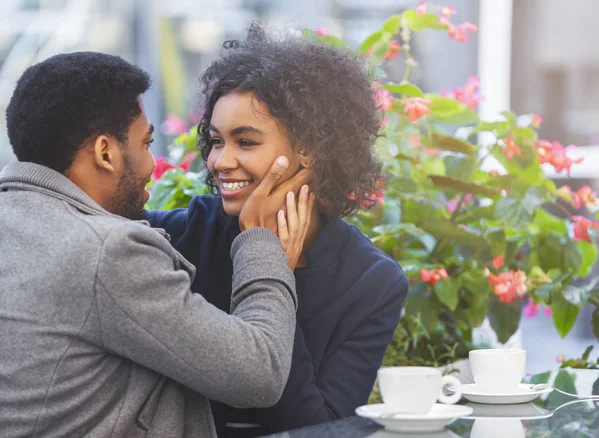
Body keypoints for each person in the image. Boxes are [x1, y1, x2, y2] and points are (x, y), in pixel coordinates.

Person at [0, 51, 314, 438]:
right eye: (146, 144)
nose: (152, 163)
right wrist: (262, 243)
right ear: (105, 152)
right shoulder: (107, 252)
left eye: (245, 141)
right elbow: (259, 373)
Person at [146, 24, 409, 436]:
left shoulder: (372, 281)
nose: (220, 161)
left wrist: (270, 267)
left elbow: (318, 428)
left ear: (308, 149)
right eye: (216, 141)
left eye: (245, 142)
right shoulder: (179, 236)